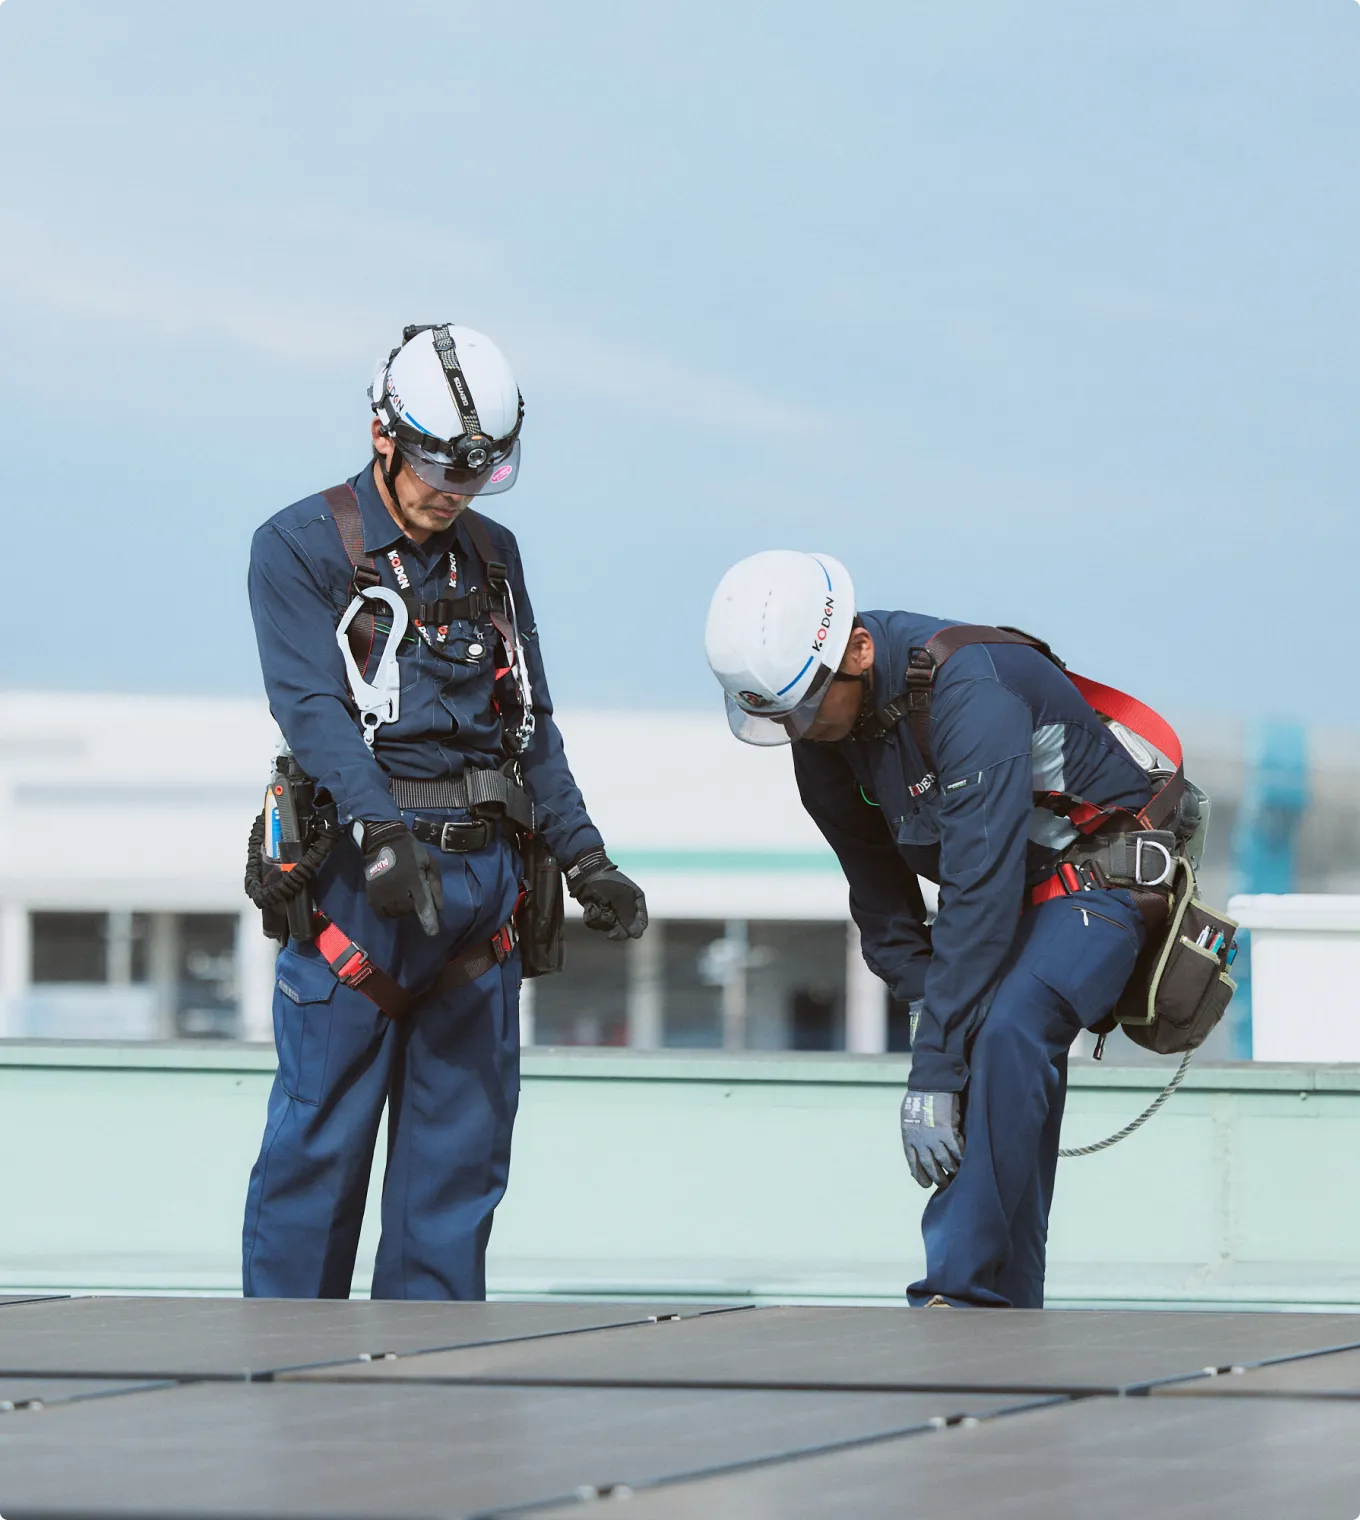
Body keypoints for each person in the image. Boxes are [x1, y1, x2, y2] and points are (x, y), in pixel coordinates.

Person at [242, 322, 647, 1299]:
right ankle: (279, 1381)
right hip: (358, 889)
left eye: (476, 473)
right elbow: (311, 707)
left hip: (480, 896)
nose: (451, 492)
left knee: (455, 1169)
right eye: (435, 467)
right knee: (316, 1154)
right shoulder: (298, 545)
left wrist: (586, 857)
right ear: (383, 433)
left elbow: (528, 723)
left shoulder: (493, 557)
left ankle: (425, 1390)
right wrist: (381, 832)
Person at [704, 550, 1177, 1309]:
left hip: (1101, 885)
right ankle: (1007, 1309)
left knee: (1007, 1029)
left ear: (857, 650)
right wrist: (926, 998)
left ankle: (955, 1298)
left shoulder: (972, 689)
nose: (801, 730)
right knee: (985, 1052)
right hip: (1007, 902)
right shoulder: (820, 730)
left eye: (806, 708)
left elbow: (977, 891)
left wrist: (933, 1066)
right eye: (781, 717)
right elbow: (880, 896)